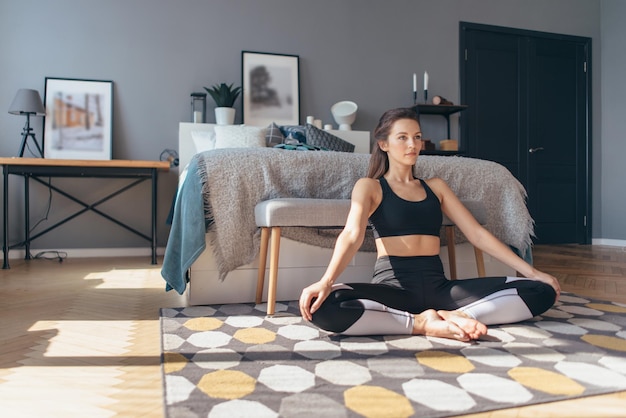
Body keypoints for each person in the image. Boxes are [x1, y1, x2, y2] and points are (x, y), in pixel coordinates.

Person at [299, 107, 560, 342]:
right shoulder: (370, 187)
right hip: (393, 288)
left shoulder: (436, 186)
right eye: (402, 137)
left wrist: (532, 272)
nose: (412, 144)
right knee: (322, 307)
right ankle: (422, 323)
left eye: (417, 136)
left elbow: (477, 234)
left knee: (541, 291)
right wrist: (326, 280)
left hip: (440, 288)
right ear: (384, 144)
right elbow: (352, 235)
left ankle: (450, 315)